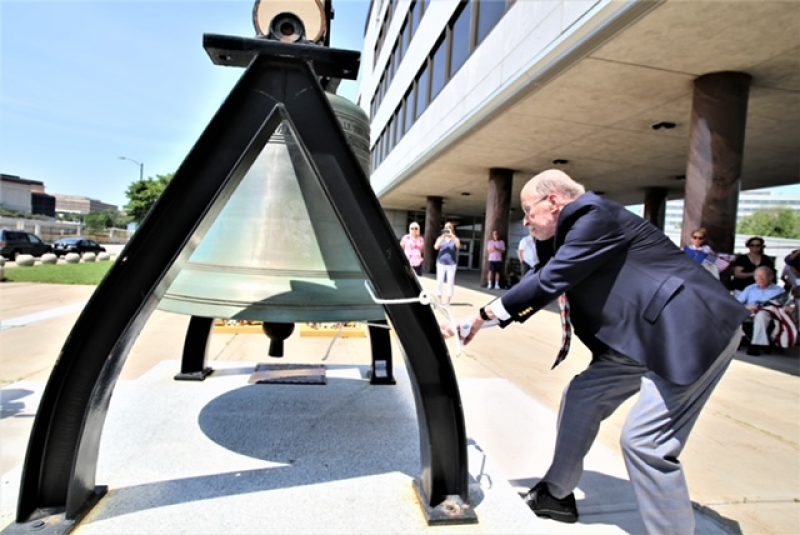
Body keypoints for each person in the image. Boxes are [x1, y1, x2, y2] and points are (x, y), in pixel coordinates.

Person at [455, 169, 748, 533]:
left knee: (645, 442)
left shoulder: (594, 215)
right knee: (582, 396)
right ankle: (556, 495)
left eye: (529, 211)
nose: (525, 220)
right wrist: (477, 321)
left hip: (689, 332)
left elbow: (552, 279)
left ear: (554, 201)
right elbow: (542, 275)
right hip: (640, 340)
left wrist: (485, 313)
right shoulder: (570, 232)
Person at [737, 266, 789, 355]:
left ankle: (755, 345)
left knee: (761, 315)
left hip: (768, 314)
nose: (759, 279)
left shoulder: (779, 291)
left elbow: (783, 306)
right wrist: (748, 307)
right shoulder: (750, 288)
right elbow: (737, 303)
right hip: (748, 312)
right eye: (757, 276)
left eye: (763, 276)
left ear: (771, 277)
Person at [434, 222, 461, 305]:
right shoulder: (441, 238)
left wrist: (452, 236)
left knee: (450, 282)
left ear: (452, 229)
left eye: (449, 227)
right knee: (439, 281)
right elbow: (435, 247)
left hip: (451, 264)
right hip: (441, 263)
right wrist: (442, 238)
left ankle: (448, 301)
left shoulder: (455, 238)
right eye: (446, 227)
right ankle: (439, 300)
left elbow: (458, 246)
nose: (447, 229)